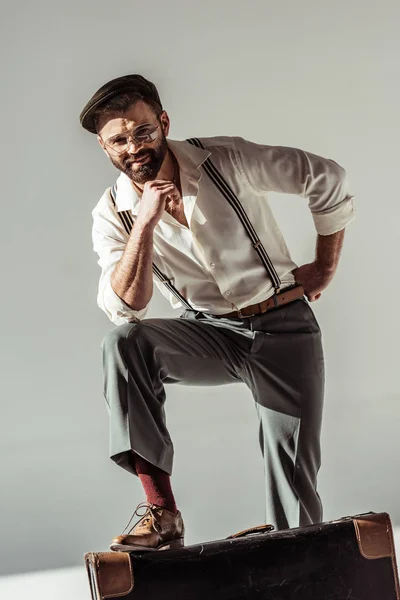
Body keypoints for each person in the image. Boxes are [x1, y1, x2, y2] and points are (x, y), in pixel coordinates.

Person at [79, 74, 355, 553]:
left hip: (284, 325)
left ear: (164, 123)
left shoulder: (226, 159)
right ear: (104, 148)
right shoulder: (113, 214)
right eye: (118, 140)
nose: (134, 148)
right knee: (124, 345)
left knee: (294, 484)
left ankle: (301, 574)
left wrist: (325, 264)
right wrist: (143, 224)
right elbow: (125, 306)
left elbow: (325, 176)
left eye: (143, 132)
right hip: (209, 334)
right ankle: (162, 512)